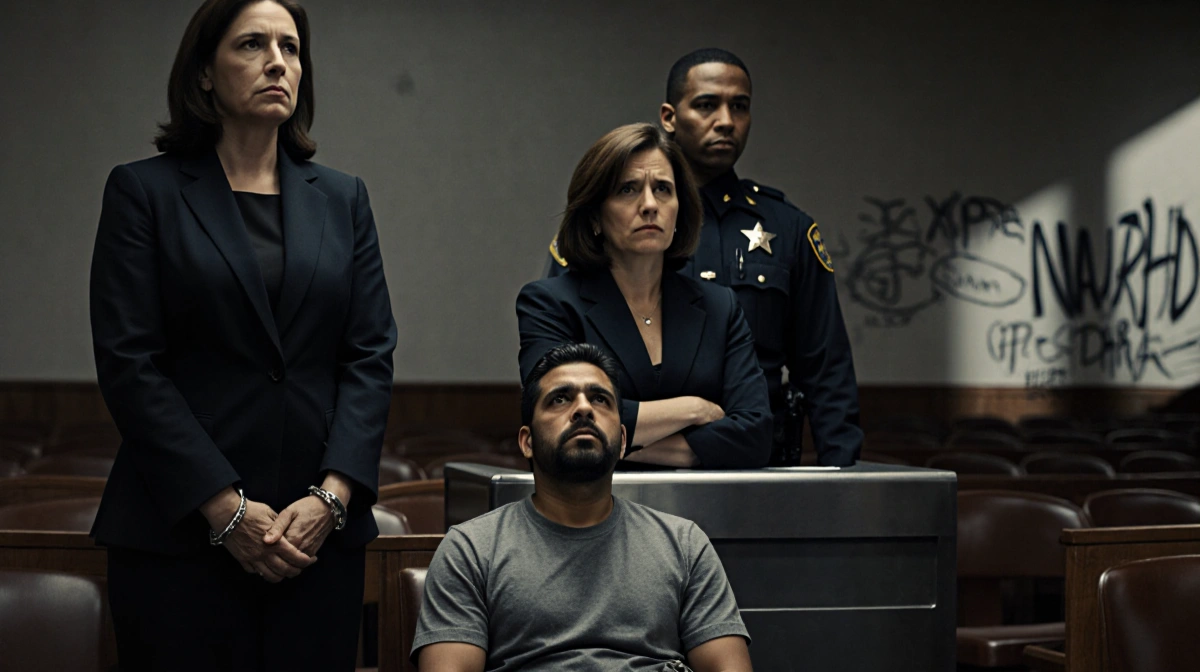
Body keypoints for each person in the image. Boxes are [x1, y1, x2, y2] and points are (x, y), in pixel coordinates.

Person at [88, 1, 397, 669]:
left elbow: (369, 355)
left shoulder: (343, 198)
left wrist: (332, 498)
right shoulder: (144, 192)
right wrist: (225, 511)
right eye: (252, 45)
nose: (278, 62)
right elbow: (129, 364)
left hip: (315, 540)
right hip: (177, 536)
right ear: (204, 73)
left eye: (290, 47)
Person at [547, 49, 862, 467]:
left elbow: (826, 373)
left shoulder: (787, 229)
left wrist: (841, 484)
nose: (726, 121)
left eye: (740, 106)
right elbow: (557, 370)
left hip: (753, 466)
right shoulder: (609, 227)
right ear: (670, 116)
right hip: (619, 468)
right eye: (707, 105)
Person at [413, 343, 753, 671]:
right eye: (560, 398)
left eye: (600, 399)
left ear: (622, 441)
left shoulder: (683, 544)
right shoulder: (471, 550)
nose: (584, 408)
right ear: (527, 442)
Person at [518, 123, 772, 469]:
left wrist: (619, 443)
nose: (650, 204)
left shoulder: (720, 307)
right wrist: (693, 409)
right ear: (594, 216)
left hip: (702, 512)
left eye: (663, 189)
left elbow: (754, 436)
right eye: (628, 190)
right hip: (591, 510)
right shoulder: (550, 303)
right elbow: (560, 417)